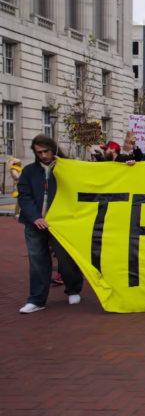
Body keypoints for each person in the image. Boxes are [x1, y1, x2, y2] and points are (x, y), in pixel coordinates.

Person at [17, 135, 85, 314]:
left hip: (60, 224)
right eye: (39, 152)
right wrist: (35, 217)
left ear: (53, 149)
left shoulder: (66, 168)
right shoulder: (29, 171)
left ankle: (73, 289)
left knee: (66, 258)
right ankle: (36, 300)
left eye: (46, 151)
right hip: (35, 223)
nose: (43, 155)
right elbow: (24, 196)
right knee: (37, 261)